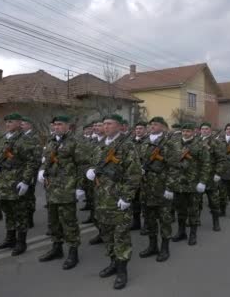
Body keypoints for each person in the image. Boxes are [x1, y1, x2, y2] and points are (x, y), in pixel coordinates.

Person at [85, 114, 141, 290]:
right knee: (107, 235)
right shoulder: (100, 145)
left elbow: (134, 174)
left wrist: (126, 198)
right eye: (104, 124)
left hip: (118, 200)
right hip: (102, 199)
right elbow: (93, 165)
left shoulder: (127, 146)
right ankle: (113, 263)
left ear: (119, 126)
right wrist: (91, 171)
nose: (105, 127)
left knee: (121, 236)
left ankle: (122, 271)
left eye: (109, 124)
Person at [37, 115, 89, 270]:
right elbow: (46, 160)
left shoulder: (76, 142)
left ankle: (73, 252)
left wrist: (80, 187)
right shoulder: (51, 141)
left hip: (67, 188)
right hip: (51, 188)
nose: (56, 127)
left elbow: (83, 165)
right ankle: (57, 248)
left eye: (60, 124)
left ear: (68, 126)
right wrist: (41, 171)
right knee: (53, 221)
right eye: (54, 124)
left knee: (69, 222)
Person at [0, 113, 41, 256]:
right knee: (8, 212)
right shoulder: (4, 138)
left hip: (16, 181)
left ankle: (21, 242)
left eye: (11, 122)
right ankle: (10, 238)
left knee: (20, 213)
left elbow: (32, 162)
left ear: (19, 123)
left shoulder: (25, 140)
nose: (7, 124)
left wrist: (25, 181)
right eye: (6, 122)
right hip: (2, 182)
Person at [137, 117, 180, 262]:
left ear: (163, 127)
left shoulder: (169, 143)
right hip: (146, 187)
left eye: (156, 124)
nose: (152, 126)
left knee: (164, 219)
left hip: (162, 187)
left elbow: (174, 167)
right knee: (149, 219)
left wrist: (170, 187)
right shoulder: (144, 142)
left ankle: (165, 248)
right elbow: (138, 160)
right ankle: (153, 245)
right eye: (151, 124)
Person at [173, 123, 211, 246]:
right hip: (179, 182)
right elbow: (171, 162)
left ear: (194, 132)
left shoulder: (200, 145)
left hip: (193, 183)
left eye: (188, 131)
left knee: (193, 210)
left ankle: (193, 234)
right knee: (180, 209)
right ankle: (181, 232)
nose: (185, 133)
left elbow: (206, 164)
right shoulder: (175, 144)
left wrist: (202, 181)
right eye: (184, 131)